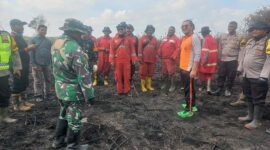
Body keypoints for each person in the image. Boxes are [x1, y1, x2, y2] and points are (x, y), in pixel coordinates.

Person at [51, 18, 94, 149]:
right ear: (73, 32)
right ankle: (73, 145)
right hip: (73, 91)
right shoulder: (75, 48)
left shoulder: (56, 43)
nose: (81, 36)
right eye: (79, 33)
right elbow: (83, 75)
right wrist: (90, 95)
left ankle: (58, 141)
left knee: (63, 113)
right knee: (75, 118)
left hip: (60, 87)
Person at [238, 21, 270, 129]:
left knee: (258, 99)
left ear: (265, 30)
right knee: (248, 96)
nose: (254, 31)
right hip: (247, 75)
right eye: (253, 29)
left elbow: (269, 60)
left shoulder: (268, 41)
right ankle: (250, 115)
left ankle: (256, 121)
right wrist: (240, 68)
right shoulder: (250, 41)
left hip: (258, 76)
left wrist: (264, 76)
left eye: (257, 28)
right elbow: (243, 55)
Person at [177, 20, 201, 118]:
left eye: (186, 26)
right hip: (183, 67)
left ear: (192, 27)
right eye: (182, 26)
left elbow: (198, 54)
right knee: (189, 89)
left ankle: (188, 110)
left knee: (189, 90)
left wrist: (194, 70)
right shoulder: (185, 38)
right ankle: (192, 105)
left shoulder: (194, 38)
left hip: (189, 69)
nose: (184, 27)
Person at [10, 19, 34, 111]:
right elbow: (13, 53)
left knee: (24, 82)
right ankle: (17, 105)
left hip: (24, 63)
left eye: (22, 25)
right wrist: (28, 49)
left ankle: (24, 102)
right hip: (17, 65)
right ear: (13, 26)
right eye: (19, 25)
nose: (22, 27)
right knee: (17, 83)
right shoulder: (12, 37)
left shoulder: (19, 36)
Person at [212, 21, 241, 97]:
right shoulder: (223, 36)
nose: (229, 28)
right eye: (229, 26)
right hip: (223, 59)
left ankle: (228, 89)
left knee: (231, 76)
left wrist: (239, 62)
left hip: (233, 59)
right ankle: (219, 88)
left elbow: (241, 50)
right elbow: (220, 47)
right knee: (221, 74)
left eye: (232, 26)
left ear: (235, 27)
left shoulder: (239, 37)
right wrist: (218, 57)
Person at [109, 22, 137, 96]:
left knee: (127, 76)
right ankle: (119, 91)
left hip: (127, 61)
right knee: (118, 77)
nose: (121, 30)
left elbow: (133, 50)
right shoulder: (113, 39)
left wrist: (134, 59)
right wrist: (111, 61)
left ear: (125, 29)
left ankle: (127, 91)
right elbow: (111, 51)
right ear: (117, 30)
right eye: (119, 29)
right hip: (117, 61)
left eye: (122, 28)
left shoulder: (129, 39)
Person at [0, 30, 21, 123]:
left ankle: (4, 116)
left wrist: (17, 67)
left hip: (3, 72)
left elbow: (15, 52)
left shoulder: (6, 35)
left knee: (4, 93)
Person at [28, 24, 52, 101]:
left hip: (47, 63)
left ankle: (47, 94)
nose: (44, 31)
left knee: (48, 79)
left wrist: (51, 62)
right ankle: (38, 95)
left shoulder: (48, 41)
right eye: (42, 30)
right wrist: (32, 63)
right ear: (38, 30)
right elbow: (30, 52)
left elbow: (50, 52)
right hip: (37, 63)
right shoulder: (33, 39)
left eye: (45, 30)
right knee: (38, 80)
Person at [158, 26, 179, 92]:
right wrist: (159, 53)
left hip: (171, 60)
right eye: (169, 30)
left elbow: (178, 48)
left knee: (172, 73)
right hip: (164, 59)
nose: (170, 31)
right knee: (164, 73)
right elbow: (161, 46)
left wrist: (173, 56)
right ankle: (165, 84)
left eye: (172, 30)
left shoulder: (176, 39)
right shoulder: (165, 38)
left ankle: (173, 85)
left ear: (174, 31)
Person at [138, 25, 158, 92]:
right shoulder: (142, 38)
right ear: (146, 31)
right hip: (144, 59)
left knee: (150, 73)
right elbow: (139, 49)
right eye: (149, 30)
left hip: (152, 59)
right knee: (143, 72)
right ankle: (143, 86)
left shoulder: (155, 39)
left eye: (151, 30)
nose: (150, 31)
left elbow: (156, 49)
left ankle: (148, 85)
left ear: (153, 31)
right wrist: (140, 58)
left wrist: (156, 58)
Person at [198, 26, 218, 94]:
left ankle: (202, 87)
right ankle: (208, 88)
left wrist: (203, 61)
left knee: (202, 74)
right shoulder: (213, 39)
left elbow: (206, 51)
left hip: (206, 60)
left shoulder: (206, 39)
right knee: (209, 74)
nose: (201, 34)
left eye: (202, 33)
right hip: (212, 61)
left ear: (204, 33)